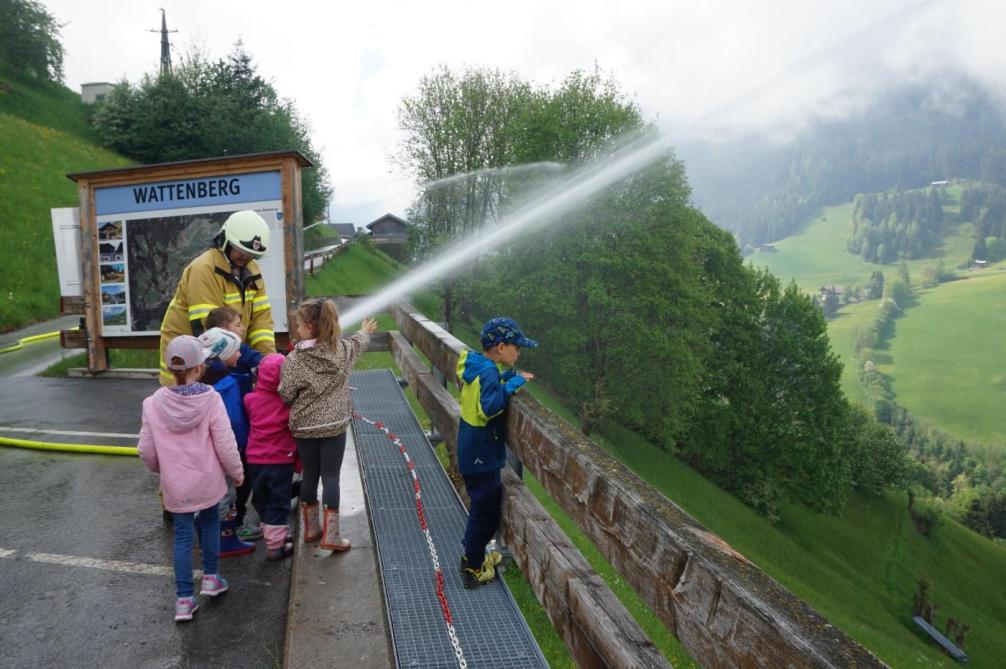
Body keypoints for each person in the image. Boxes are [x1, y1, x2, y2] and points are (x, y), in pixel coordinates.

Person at [137, 335, 244, 622]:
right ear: (200, 368)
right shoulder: (211, 399)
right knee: (210, 523)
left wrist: (162, 469)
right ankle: (211, 577)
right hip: (208, 480)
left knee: (182, 536)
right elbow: (225, 443)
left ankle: (184, 599)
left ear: (172, 369)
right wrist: (236, 472)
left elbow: (145, 449)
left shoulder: (154, 403)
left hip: (176, 483)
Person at [279, 298, 376, 551]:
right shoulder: (341, 351)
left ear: (310, 327)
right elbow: (358, 343)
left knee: (310, 474)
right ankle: (332, 536)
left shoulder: (295, 359)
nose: (297, 329)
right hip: (334, 425)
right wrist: (365, 331)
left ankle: (311, 529)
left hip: (304, 427)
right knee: (331, 476)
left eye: (299, 325)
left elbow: (286, 393)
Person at [456, 317, 537, 589]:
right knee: (485, 513)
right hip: (481, 455)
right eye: (517, 346)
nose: (520, 351)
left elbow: (484, 391)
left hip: (471, 450)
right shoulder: (489, 372)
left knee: (481, 509)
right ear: (501, 347)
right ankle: (473, 570)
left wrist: (506, 378)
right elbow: (489, 408)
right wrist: (512, 385)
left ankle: (472, 556)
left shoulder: (479, 365)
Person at [158, 210, 276, 387]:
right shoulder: (204, 269)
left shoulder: (253, 271)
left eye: (251, 254)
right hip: (188, 367)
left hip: (224, 359)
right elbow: (209, 332)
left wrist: (268, 362)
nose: (246, 257)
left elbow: (262, 324)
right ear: (224, 241)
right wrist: (251, 360)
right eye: (241, 250)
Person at [204, 306, 263, 540]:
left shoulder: (206, 365)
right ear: (223, 333)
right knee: (238, 480)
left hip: (228, 433)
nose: (242, 328)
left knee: (229, 482)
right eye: (238, 324)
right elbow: (259, 360)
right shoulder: (234, 355)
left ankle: (216, 524)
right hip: (235, 434)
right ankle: (232, 525)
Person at [198, 327, 256, 557]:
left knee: (208, 495)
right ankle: (225, 539)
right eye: (236, 351)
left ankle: (206, 536)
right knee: (225, 495)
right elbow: (233, 423)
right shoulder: (226, 387)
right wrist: (241, 447)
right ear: (222, 355)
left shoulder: (208, 382)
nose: (241, 355)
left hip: (203, 452)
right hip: (223, 452)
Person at [243, 354, 297, 560]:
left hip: (255, 460)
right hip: (281, 460)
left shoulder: (250, 400)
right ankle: (275, 546)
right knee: (279, 501)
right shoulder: (287, 403)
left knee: (261, 498)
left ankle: (274, 531)